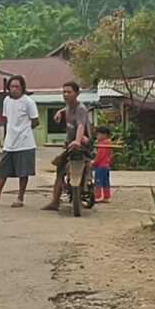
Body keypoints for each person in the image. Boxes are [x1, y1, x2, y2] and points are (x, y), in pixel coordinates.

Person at [0, 75, 39, 207]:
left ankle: (20, 198)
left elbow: (35, 121)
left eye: (17, 86)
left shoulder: (28, 102)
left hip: (25, 143)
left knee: (23, 172)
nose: (14, 89)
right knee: (2, 170)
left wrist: (24, 131)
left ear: (22, 87)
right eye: (12, 87)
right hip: (9, 142)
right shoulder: (7, 100)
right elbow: (6, 118)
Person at [42, 82, 91, 212]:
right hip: (69, 143)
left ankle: (85, 179)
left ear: (77, 94)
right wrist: (60, 111)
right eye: (64, 92)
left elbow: (81, 126)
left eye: (69, 92)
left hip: (82, 144)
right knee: (60, 171)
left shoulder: (81, 108)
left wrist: (77, 141)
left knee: (80, 155)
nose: (66, 94)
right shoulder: (69, 105)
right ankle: (55, 201)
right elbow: (68, 108)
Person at [93, 126, 115, 203]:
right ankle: (106, 196)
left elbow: (100, 156)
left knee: (98, 181)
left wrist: (94, 163)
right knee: (106, 181)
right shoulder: (109, 143)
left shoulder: (103, 144)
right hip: (106, 165)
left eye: (98, 135)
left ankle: (98, 196)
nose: (97, 136)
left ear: (104, 135)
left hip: (101, 166)